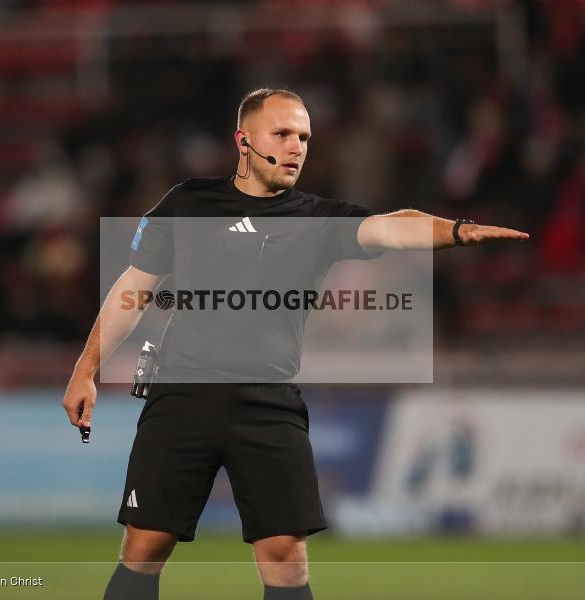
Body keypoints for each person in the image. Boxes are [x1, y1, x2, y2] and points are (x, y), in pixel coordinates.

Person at [62, 88, 528, 600]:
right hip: (181, 395)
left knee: (285, 555)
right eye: (282, 134)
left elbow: (393, 228)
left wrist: (458, 230)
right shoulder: (188, 202)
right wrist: (86, 369)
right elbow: (133, 290)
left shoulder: (317, 219)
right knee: (145, 545)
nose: (296, 147)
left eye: (303, 137)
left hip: (268, 402)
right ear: (244, 140)